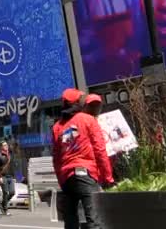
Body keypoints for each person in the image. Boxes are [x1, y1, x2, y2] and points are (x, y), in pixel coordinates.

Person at [52, 88, 114, 229]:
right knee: (94, 219)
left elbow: (56, 158)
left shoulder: (57, 127)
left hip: (67, 176)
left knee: (71, 220)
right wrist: (108, 177)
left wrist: (62, 180)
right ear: (77, 103)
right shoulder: (87, 120)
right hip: (85, 173)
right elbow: (100, 149)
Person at [0, 141, 15, 216]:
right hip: (3, 176)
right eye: (4, 145)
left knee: (12, 192)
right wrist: (0, 177)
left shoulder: (10, 154)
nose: (6, 146)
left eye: (6, 145)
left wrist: (14, 176)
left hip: (10, 176)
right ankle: (6, 209)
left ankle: (2, 203)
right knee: (5, 193)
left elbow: (13, 166)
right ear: (1, 147)